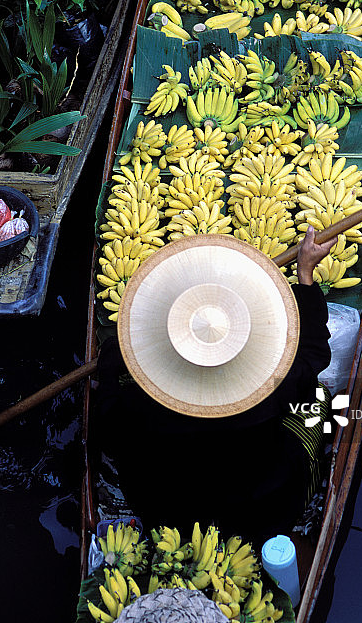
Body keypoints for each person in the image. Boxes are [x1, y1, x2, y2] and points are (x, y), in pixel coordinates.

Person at [95, 226, 336, 546]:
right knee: (318, 397)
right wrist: (305, 273)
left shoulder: (139, 401)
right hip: (260, 503)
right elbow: (313, 354)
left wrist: (114, 353)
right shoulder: (270, 389)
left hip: (168, 509)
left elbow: (108, 427)